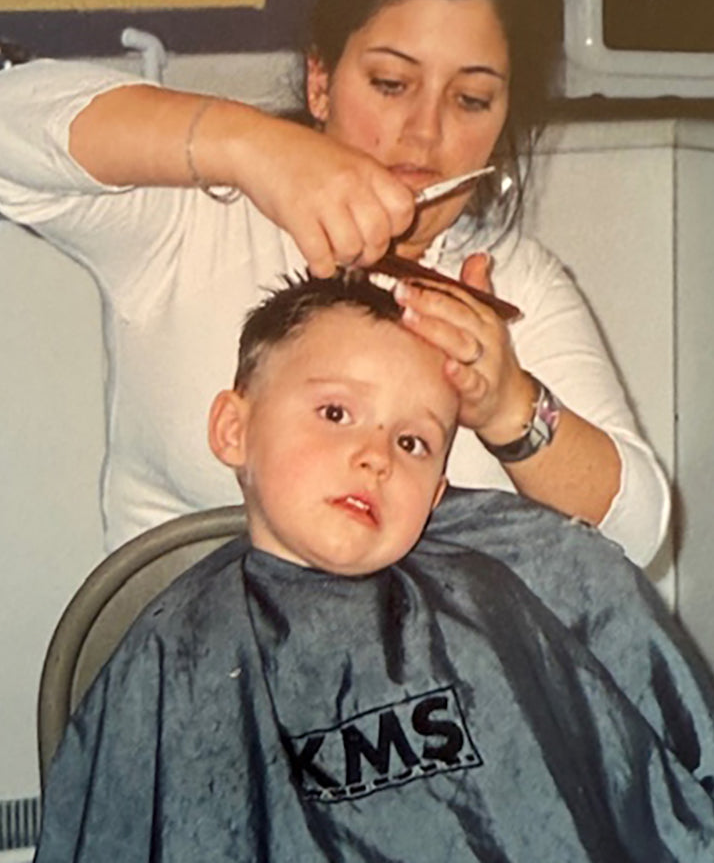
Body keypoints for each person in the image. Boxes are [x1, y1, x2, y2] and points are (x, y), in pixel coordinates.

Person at [0, 0, 668, 563]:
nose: (426, 131)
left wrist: (510, 408)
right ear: (320, 82)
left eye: (470, 99)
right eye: (391, 83)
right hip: (183, 629)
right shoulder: (191, 219)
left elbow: (637, 538)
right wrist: (247, 145)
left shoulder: (513, 286)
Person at [34, 272, 714, 863]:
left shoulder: (500, 586)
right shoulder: (172, 652)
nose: (376, 456)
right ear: (234, 430)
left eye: (413, 442)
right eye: (336, 412)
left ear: (438, 494)